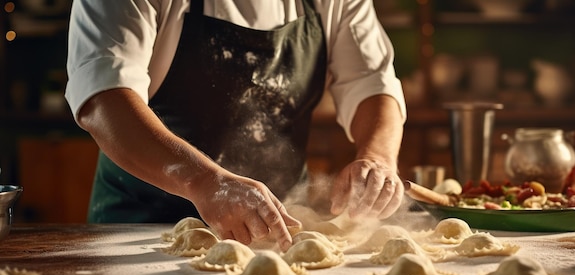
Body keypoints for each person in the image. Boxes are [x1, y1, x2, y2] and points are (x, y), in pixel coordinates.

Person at [64, 0, 407, 252]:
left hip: (278, 235)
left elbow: (372, 84)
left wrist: (378, 157)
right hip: (140, 232)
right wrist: (204, 182)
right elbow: (104, 99)